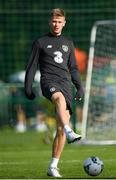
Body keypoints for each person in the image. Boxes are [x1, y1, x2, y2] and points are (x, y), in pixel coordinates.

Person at [24, 8, 84, 178]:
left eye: (59, 22)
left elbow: (73, 68)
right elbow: (32, 66)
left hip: (66, 84)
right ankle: (70, 130)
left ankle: (53, 166)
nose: (56, 24)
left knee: (59, 129)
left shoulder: (68, 43)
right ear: (49, 22)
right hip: (49, 82)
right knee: (58, 98)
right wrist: (28, 87)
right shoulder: (40, 42)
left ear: (64, 23)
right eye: (54, 21)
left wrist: (79, 86)